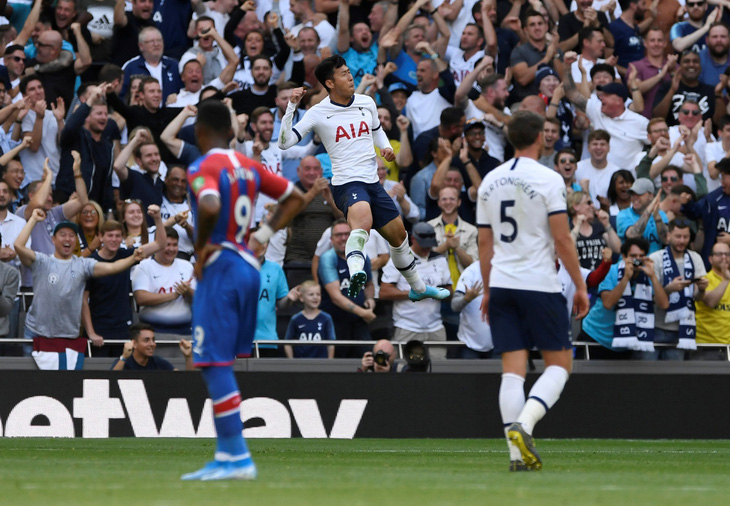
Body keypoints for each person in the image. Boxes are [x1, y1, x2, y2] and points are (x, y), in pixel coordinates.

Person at [182, 99, 304, 481]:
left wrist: (201, 249)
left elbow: (209, 204)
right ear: (232, 132)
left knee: (213, 363)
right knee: (222, 361)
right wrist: (262, 236)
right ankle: (226, 456)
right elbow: (296, 197)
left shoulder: (203, 166)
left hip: (220, 268)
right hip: (250, 267)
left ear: (200, 131)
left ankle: (237, 458)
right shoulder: (249, 166)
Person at [278, 55, 449, 303]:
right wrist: (291, 106)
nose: (350, 77)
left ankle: (418, 287)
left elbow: (377, 132)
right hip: (346, 182)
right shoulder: (318, 113)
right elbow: (284, 143)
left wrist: (385, 150)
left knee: (399, 236)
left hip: (372, 182)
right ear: (330, 83)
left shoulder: (366, 102)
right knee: (363, 224)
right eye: (344, 74)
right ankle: (357, 270)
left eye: (349, 72)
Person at [476, 110, 589, 471]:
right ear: (540, 137)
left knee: (513, 371)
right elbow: (562, 239)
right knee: (560, 364)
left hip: (503, 283)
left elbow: (483, 241)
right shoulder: (548, 179)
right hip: (538, 283)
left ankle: (515, 458)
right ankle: (525, 425)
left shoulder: (489, 180)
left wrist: (489, 289)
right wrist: (581, 285)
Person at [15, 203, 145, 370]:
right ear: (53, 240)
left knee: (65, 386)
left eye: (71, 235)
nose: (67, 239)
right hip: (36, 333)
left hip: (68, 336)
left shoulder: (83, 264)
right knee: (30, 381)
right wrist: (33, 219)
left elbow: (113, 267)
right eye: (62, 235)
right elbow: (19, 246)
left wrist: (133, 258)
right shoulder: (42, 261)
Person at [82, 217, 166, 356]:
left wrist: (157, 218)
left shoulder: (127, 255)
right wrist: (91, 332)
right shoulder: (90, 263)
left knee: (123, 373)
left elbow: (160, 244)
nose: (114, 239)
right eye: (110, 235)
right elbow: (83, 300)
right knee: (98, 374)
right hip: (99, 329)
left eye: (118, 236)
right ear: (100, 237)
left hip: (123, 328)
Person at [579, 237, 671, 356]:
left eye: (641, 256)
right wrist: (626, 278)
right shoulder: (611, 271)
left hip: (625, 342)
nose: (637, 260)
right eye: (633, 256)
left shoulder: (648, 275)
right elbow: (608, 303)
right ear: (624, 256)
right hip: (596, 336)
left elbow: (664, 304)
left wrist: (653, 276)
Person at [379, 222, 453, 360]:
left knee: (439, 368)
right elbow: (384, 292)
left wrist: (436, 292)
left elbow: (449, 291)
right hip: (407, 326)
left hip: (435, 326)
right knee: (405, 366)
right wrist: (412, 294)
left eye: (430, 244)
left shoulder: (440, 259)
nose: (427, 248)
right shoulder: (399, 258)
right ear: (413, 239)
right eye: (423, 244)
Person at [646, 219, 708, 360]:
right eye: (678, 236)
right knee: (646, 375)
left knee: (673, 378)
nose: (682, 241)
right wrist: (668, 290)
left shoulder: (695, 258)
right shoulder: (656, 258)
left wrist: (702, 290)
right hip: (655, 326)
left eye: (685, 237)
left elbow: (698, 297)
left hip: (681, 329)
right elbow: (649, 296)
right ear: (668, 236)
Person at [317, 219, 375, 358]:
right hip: (335, 322)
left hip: (359, 322)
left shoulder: (362, 256)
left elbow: (369, 284)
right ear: (331, 239)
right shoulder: (328, 258)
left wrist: (370, 300)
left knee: (367, 359)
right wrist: (364, 313)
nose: (343, 238)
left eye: (347, 234)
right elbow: (335, 297)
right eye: (339, 235)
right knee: (337, 365)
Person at [132, 227, 195, 340]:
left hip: (185, 333)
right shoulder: (143, 266)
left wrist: (188, 291)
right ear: (157, 245)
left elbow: (200, 298)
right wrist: (174, 295)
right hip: (153, 334)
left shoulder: (187, 266)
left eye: (175, 245)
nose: (171, 249)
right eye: (167, 244)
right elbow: (140, 298)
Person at [694, 241, 730, 356]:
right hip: (707, 346)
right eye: (719, 254)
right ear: (710, 259)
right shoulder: (703, 280)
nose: (724, 257)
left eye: (727, 254)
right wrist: (726, 279)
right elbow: (710, 302)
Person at [451, 260, 493, 359]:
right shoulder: (471, 272)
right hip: (470, 346)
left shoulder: (504, 270)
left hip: (498, 344)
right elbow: (454, 305)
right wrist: (466, 299)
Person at [284, 280, 335, 359]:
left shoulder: (326, 318)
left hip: (321, 364)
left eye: (318, 294)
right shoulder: (296, 319)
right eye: (311, 294)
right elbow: (287, 343)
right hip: (301, 363)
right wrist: (292, 362)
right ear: (301, 298)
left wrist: (329, 362)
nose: (315, 297)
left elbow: (331, 342)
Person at [111, 322, 194, 370]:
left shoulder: (158, 362)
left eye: (153, 340)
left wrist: (188, 357)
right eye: (146, 340)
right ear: (134, 344)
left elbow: (185, 381)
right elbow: (111, 382)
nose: (152, 344)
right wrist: (124, 357)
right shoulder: (124, 362)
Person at [617, 178, 669, 253]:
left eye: (639, 194)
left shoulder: (661, 214)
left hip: (655, 262)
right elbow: (633, 235)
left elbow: (666, 240)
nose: (635, 197)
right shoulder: (623, 214)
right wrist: (648, 211)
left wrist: (657, 218)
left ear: (651, 196)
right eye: (633, 194)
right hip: (631, 262)